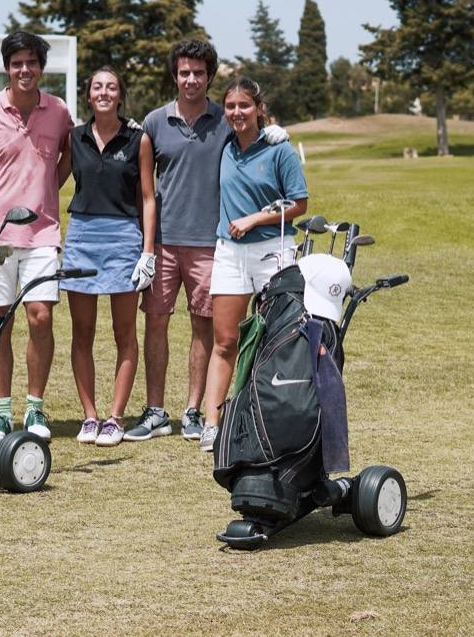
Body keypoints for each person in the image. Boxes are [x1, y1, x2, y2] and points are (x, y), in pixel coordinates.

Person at [123, 40, 288, 443]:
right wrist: (147, 247)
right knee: (156, 323)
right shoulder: (155, 122)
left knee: (205, 328)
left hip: (210, 243)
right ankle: (156, 411)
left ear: (209, 77)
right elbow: (146, 187)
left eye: (198, 73)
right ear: (174, 76)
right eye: (184, 72)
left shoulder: (224, 118)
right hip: (163, 242)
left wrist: (275, 130)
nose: (191, 79)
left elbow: (253, 128)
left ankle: (194, 411)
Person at [0, 30, 73, 440]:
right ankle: (1, 411)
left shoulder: (58, 111)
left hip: (42, 234)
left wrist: (45, 194)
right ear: (7, 68)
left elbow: (68, 156)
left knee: (41, 318)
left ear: (41, 67)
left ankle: (35, 409)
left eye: (32, 62)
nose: (25, 69)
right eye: (17, 63)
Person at [199, 76, 307, 451]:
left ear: (260, 109)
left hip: (273, 251)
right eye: (230, 106)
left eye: (245, 106)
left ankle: (263, 418)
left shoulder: (280, 150)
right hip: (229, 253)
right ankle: (213, 422)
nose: (236, 113)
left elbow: (299, 204)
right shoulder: (224, 144)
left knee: (274, 340)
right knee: (226, 340)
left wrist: (255, 218)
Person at [59, 68, 156, 447]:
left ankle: (115, 418)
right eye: (97, 87)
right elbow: (52, 182)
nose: (103, 92)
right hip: (82, 236)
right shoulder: (74, 138)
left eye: (110, 87)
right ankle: (90, 416)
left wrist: (148, 251)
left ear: (120, 96)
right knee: (81, 332)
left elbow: (148, 198)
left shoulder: (138, 139)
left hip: (123, 239)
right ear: (88, 96)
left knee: (123, 334)